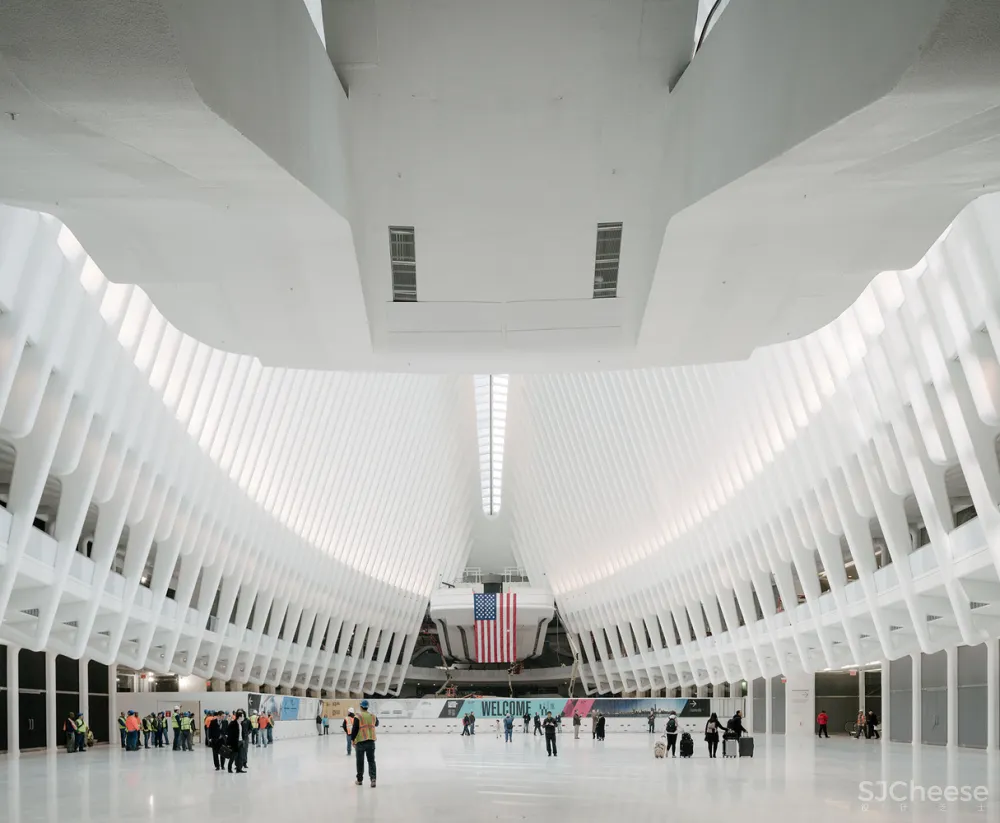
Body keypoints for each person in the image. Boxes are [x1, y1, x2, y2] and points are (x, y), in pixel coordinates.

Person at [351, 699, 379, 788]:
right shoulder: (373, 716)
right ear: (367, 707)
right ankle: (373, 779)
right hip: (371, 742)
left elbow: (354, 729)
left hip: (360, 742)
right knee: (371, 761)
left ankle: (359, 780)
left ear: (361, 707)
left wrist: (352, 739)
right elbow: (377, 724)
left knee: (360, 761)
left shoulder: (358, 716)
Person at [226, 709, 251, 774]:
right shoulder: (233, 723)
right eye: (242, 716)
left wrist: (243, 739)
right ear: (239, 717)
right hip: (235, 743)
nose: (243, 717)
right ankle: (229, 768)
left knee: (241, 756)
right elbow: (229, 733)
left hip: (241, 742)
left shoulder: (241, 723)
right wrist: (229, 743)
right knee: (233, 756)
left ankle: (239, 769)